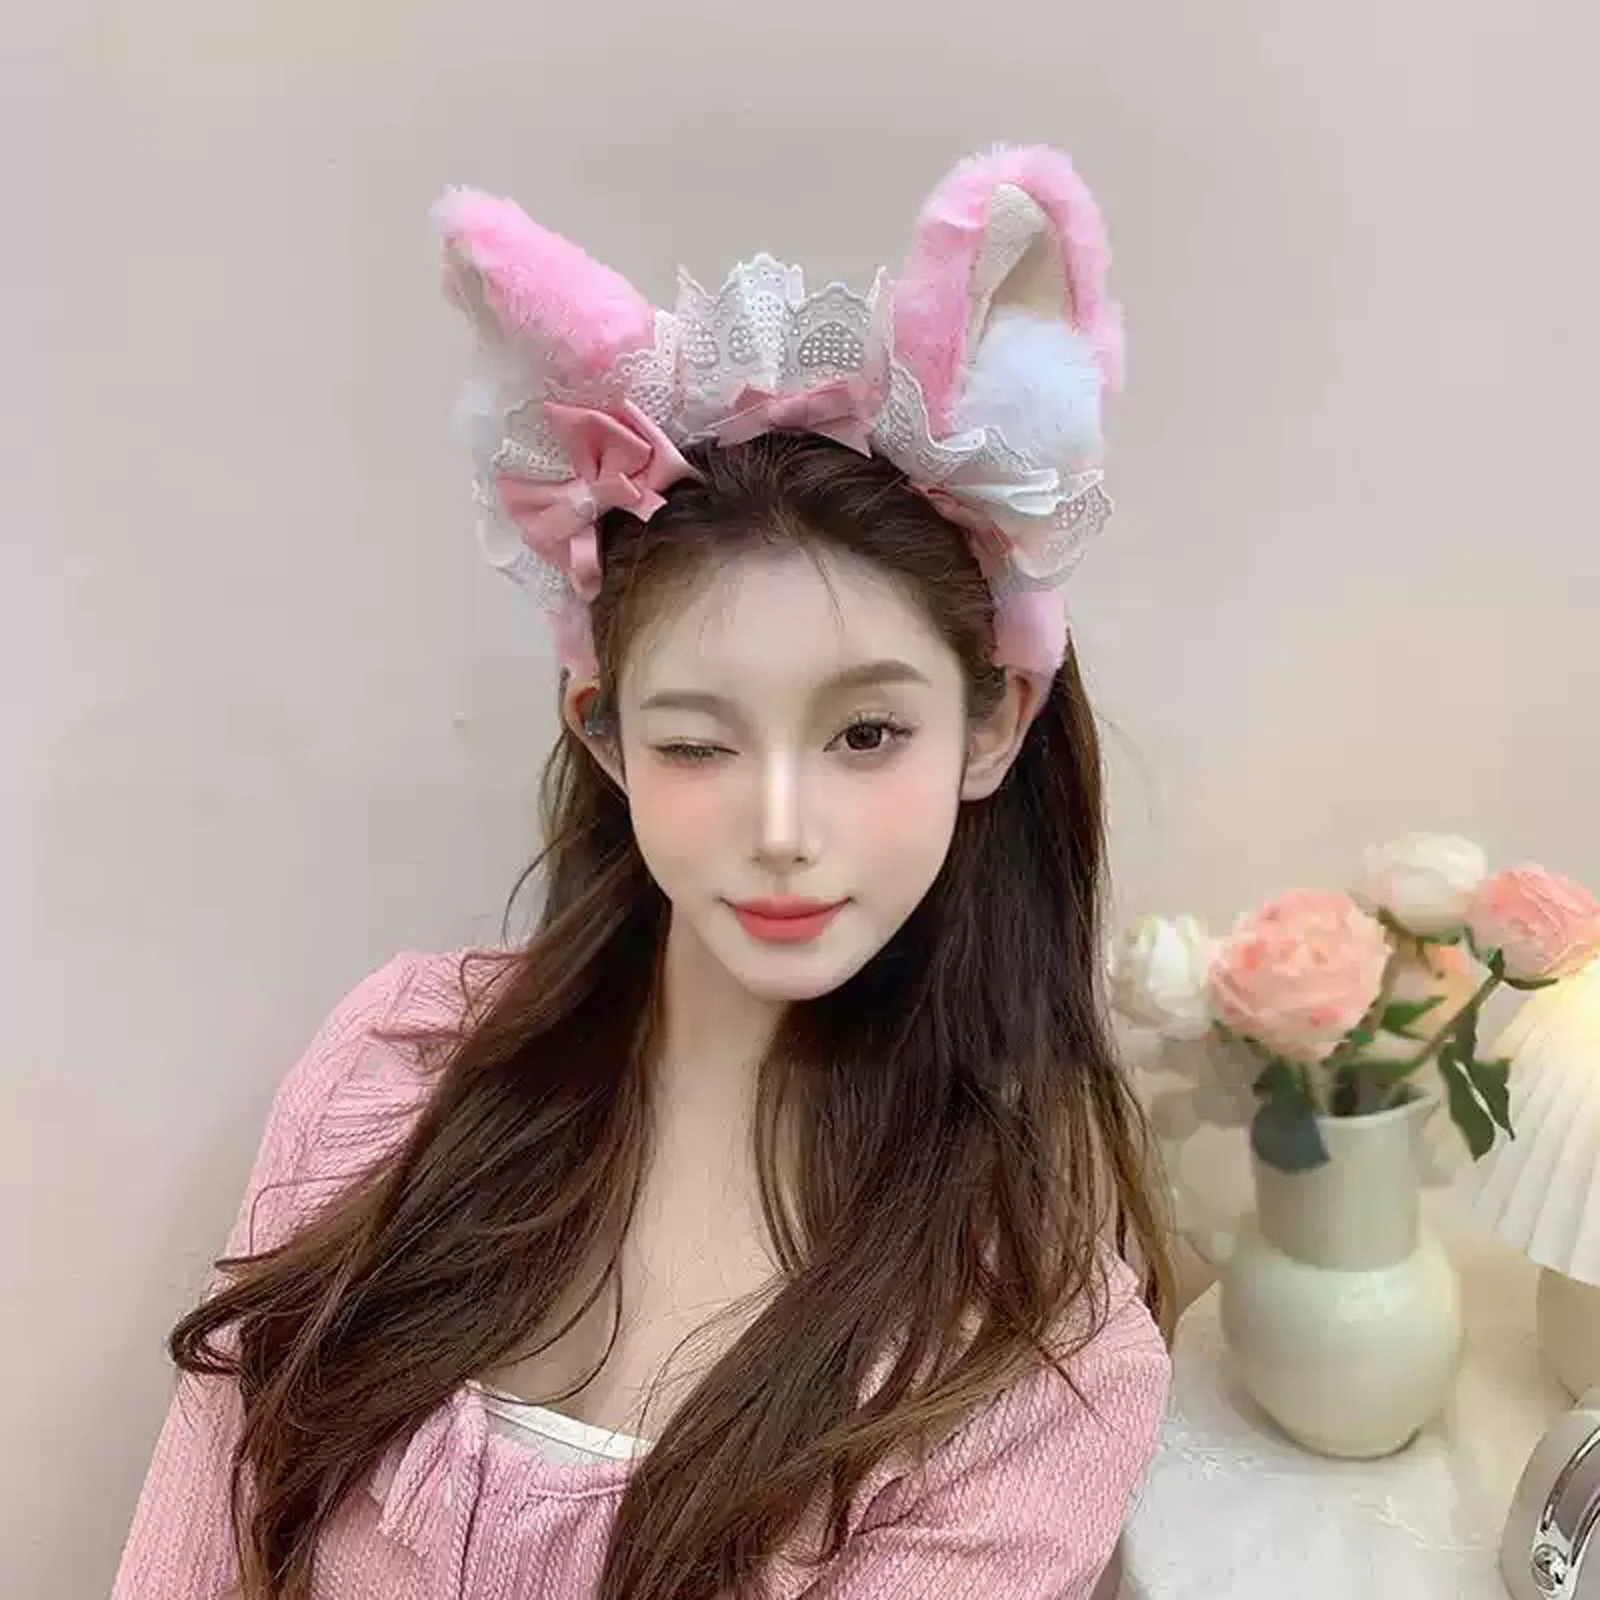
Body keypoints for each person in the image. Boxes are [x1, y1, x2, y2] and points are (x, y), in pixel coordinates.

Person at [112, 144, 1172, 1600]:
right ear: (602, 737)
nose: (782, 825)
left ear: (992, 725)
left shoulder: (1035, 1362)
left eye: (866, 734)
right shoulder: (393, 1068)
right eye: (698, 742)